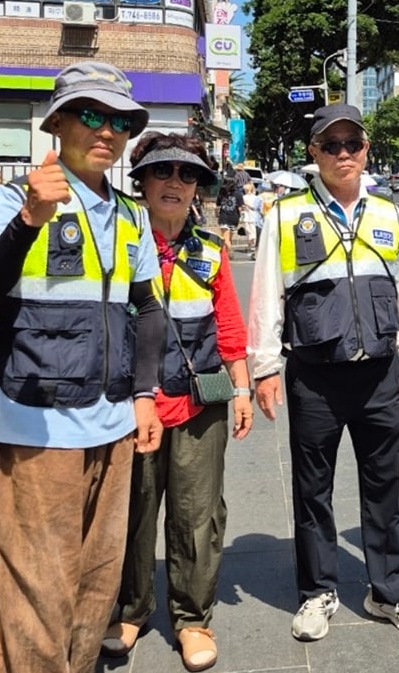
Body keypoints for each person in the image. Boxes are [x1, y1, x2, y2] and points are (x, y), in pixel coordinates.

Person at [0, 61, 164, 673]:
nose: (105, 131)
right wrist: (30, 221)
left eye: (119, 122)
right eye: (90, 115)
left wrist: (145, 395)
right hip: (34, 424)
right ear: (57, 122)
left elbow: (148, 309)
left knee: (94, 584)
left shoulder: (132, 215)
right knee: (34, 587)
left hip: (112, 423)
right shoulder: (9, 200)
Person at [245, 102, 399, 641]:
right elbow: (266, 295)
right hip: (314, 377)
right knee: (313, 491)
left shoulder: (389, 214)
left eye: (353, 144)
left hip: (378, 373)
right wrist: (264, 368)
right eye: (332, 145)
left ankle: (389, 593)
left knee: (385, 490)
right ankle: (317, 592)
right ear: (314, 153)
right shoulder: (284, 215)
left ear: (366, 150)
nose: (344, 153)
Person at [102, 132, 254, 672]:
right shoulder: (118, 243)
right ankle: (130, 609)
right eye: (163, 171)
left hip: (198, 405)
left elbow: (229, 325)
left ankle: (193, 619)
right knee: (134, 511)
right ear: (140, 181)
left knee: (197, 516)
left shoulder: (209, 248)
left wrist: (241, 388)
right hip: (133, 403)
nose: (175, 182)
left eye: (187, 175)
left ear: (199, 188)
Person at [216, 178, 243, 253]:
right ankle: (227, 254)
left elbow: (217, 206)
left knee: (226, 239)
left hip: (224, 217)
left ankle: (230, 252)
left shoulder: (221, 193)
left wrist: (217, 214)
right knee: (229, 239)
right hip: (234, 218)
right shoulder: (238, 194)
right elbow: (240, 208)